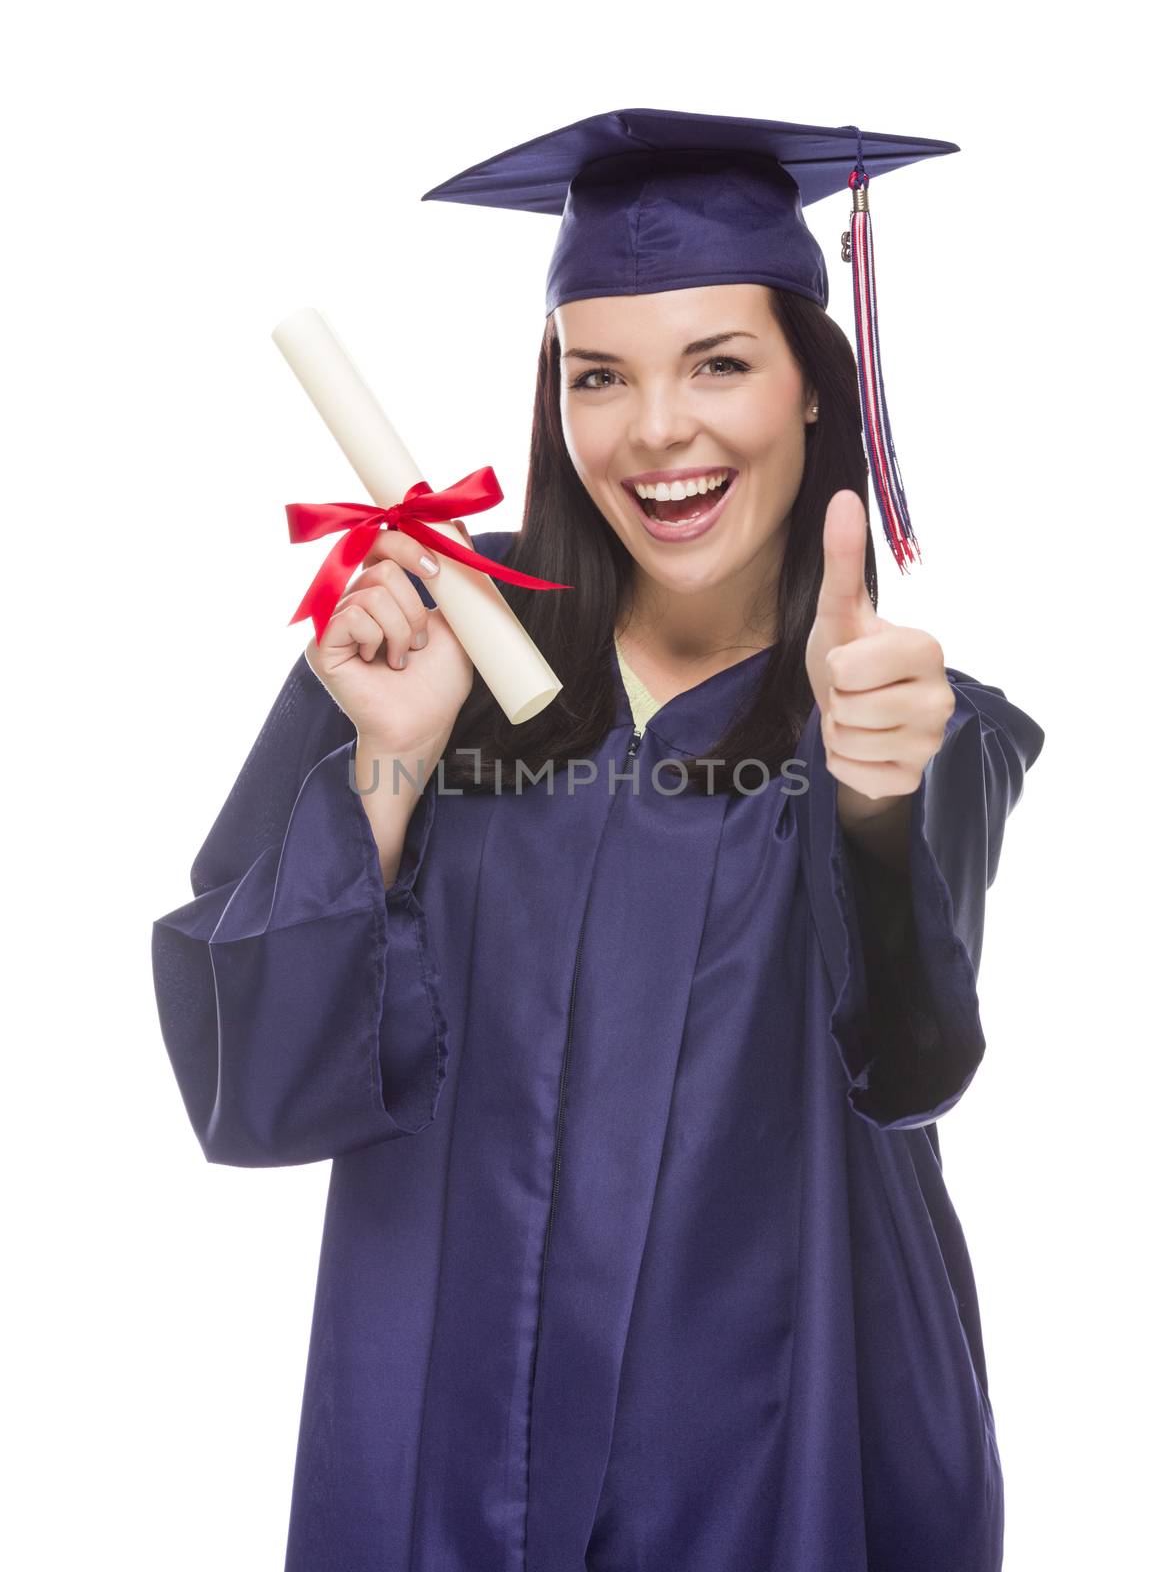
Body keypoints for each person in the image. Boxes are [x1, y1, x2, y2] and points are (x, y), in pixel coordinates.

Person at [151, 109, 1045, 1572]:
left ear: (813, 389)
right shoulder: (431, 656)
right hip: (443, 1433)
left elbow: (912, 1062)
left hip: (778, 1435)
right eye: (598, 375)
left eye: (719, 363)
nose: (654, 430)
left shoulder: (904, 716)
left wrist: (875, 807)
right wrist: (392, 755)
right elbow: (254, 1082)